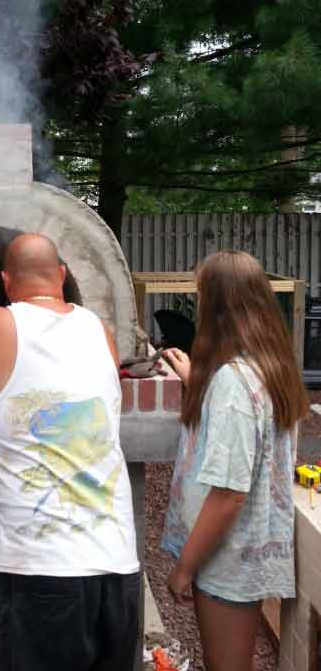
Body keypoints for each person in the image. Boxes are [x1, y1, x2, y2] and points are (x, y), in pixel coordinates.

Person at [0, 233, 140, 671]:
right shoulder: (98, 329)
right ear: (62, 275)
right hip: (115, 568)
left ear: (6, 282)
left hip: (37, 573)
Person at [162, 250, 309, 671]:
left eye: (201, 295)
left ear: (218, 306)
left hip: (226, 560)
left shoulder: (232, 385)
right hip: (248, 553)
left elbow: (229, 496)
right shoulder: (271, 366)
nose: (197, 305)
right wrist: (196, 381)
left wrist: (184, 568)